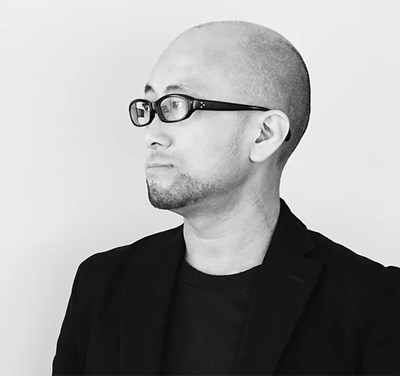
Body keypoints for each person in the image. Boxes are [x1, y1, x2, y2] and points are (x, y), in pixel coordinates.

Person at [52, 21, 400, 375]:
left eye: (176, 105)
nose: (151, 135)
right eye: (150, 107)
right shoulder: (102, 285)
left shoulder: (375, 305)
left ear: (264, 135)